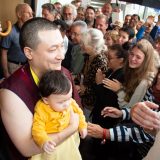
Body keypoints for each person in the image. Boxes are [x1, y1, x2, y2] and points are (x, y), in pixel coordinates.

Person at [0, 17, 81, 160]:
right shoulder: (11, 92)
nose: (61, 55)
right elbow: (26, 148)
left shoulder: (63, 73)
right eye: (53, 49)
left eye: (61, 45)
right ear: (29, 53)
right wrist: (72, 128)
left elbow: (74, 107)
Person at [31, 70, 87, 160]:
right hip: (53, 147)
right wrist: (44, 141)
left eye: (69, 98)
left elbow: (79, 113)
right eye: (61, 102)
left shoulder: (70, 102)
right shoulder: (42, 109)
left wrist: (82, 126)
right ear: (46, 100)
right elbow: (37, 129)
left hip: (69, 143)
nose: (67, 104)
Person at [0, 3, 33, 78]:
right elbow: (3, 53)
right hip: (12, 66)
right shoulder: (10, 31)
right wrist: (6, 73)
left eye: (32, 13)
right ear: (19, 14)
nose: (31, 16)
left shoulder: (30, 31)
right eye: (28, 13)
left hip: (26, 66)